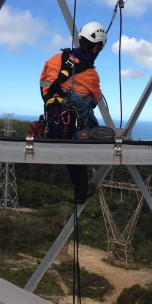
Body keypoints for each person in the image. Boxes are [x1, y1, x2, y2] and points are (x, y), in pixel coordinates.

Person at [34, 21, 115, 203]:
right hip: (74, 125)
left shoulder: (54, 60)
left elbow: (43, 88)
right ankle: (81, 193)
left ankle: (80, 191)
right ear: (96, 49)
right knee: (77, 152)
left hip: (52, 121)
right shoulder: (91, 76)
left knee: (71, 151)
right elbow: (94, 101)